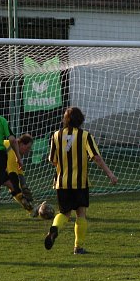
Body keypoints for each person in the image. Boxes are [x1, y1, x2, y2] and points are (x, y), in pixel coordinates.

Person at [44, 107, 118, 255]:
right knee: (81, 214)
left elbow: (53, 160)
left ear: (65, 119)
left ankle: (54, 229)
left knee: (64, 213)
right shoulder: (85, 136)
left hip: (62, 183)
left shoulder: (56, 135)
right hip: (80, 183)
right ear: (81, 120)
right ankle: (78, 247)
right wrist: (110, 174)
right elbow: (96, 157)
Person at [0, 133, 38, 228]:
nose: (29, 150)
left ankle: (31, 210)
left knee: (8, 188)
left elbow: (19, 172)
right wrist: (21, 192)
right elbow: (12, 174)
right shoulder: (12, 151)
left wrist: (24, 186)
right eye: (28, 147)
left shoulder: (14, 149)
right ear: (21, 144)